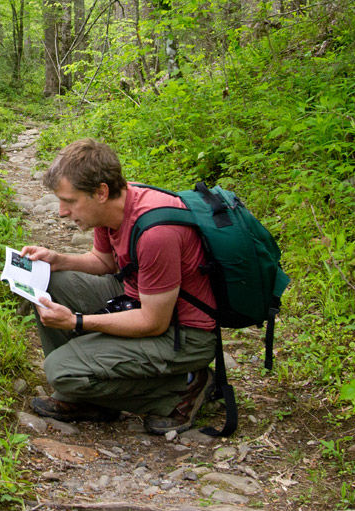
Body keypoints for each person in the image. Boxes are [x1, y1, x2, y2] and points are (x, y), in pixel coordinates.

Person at [21, 139, 218, 434]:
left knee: (60, 371)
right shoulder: (113, 206)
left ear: (100, 192)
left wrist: (76, 321)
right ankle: (89, 396)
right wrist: (57, 260)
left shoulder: (156, 233)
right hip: (141, 300)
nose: (62, 211)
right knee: (49, 282)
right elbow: (104, 261)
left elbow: (153, 322)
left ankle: (184, 388)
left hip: (186, 335)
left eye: (70, 201)